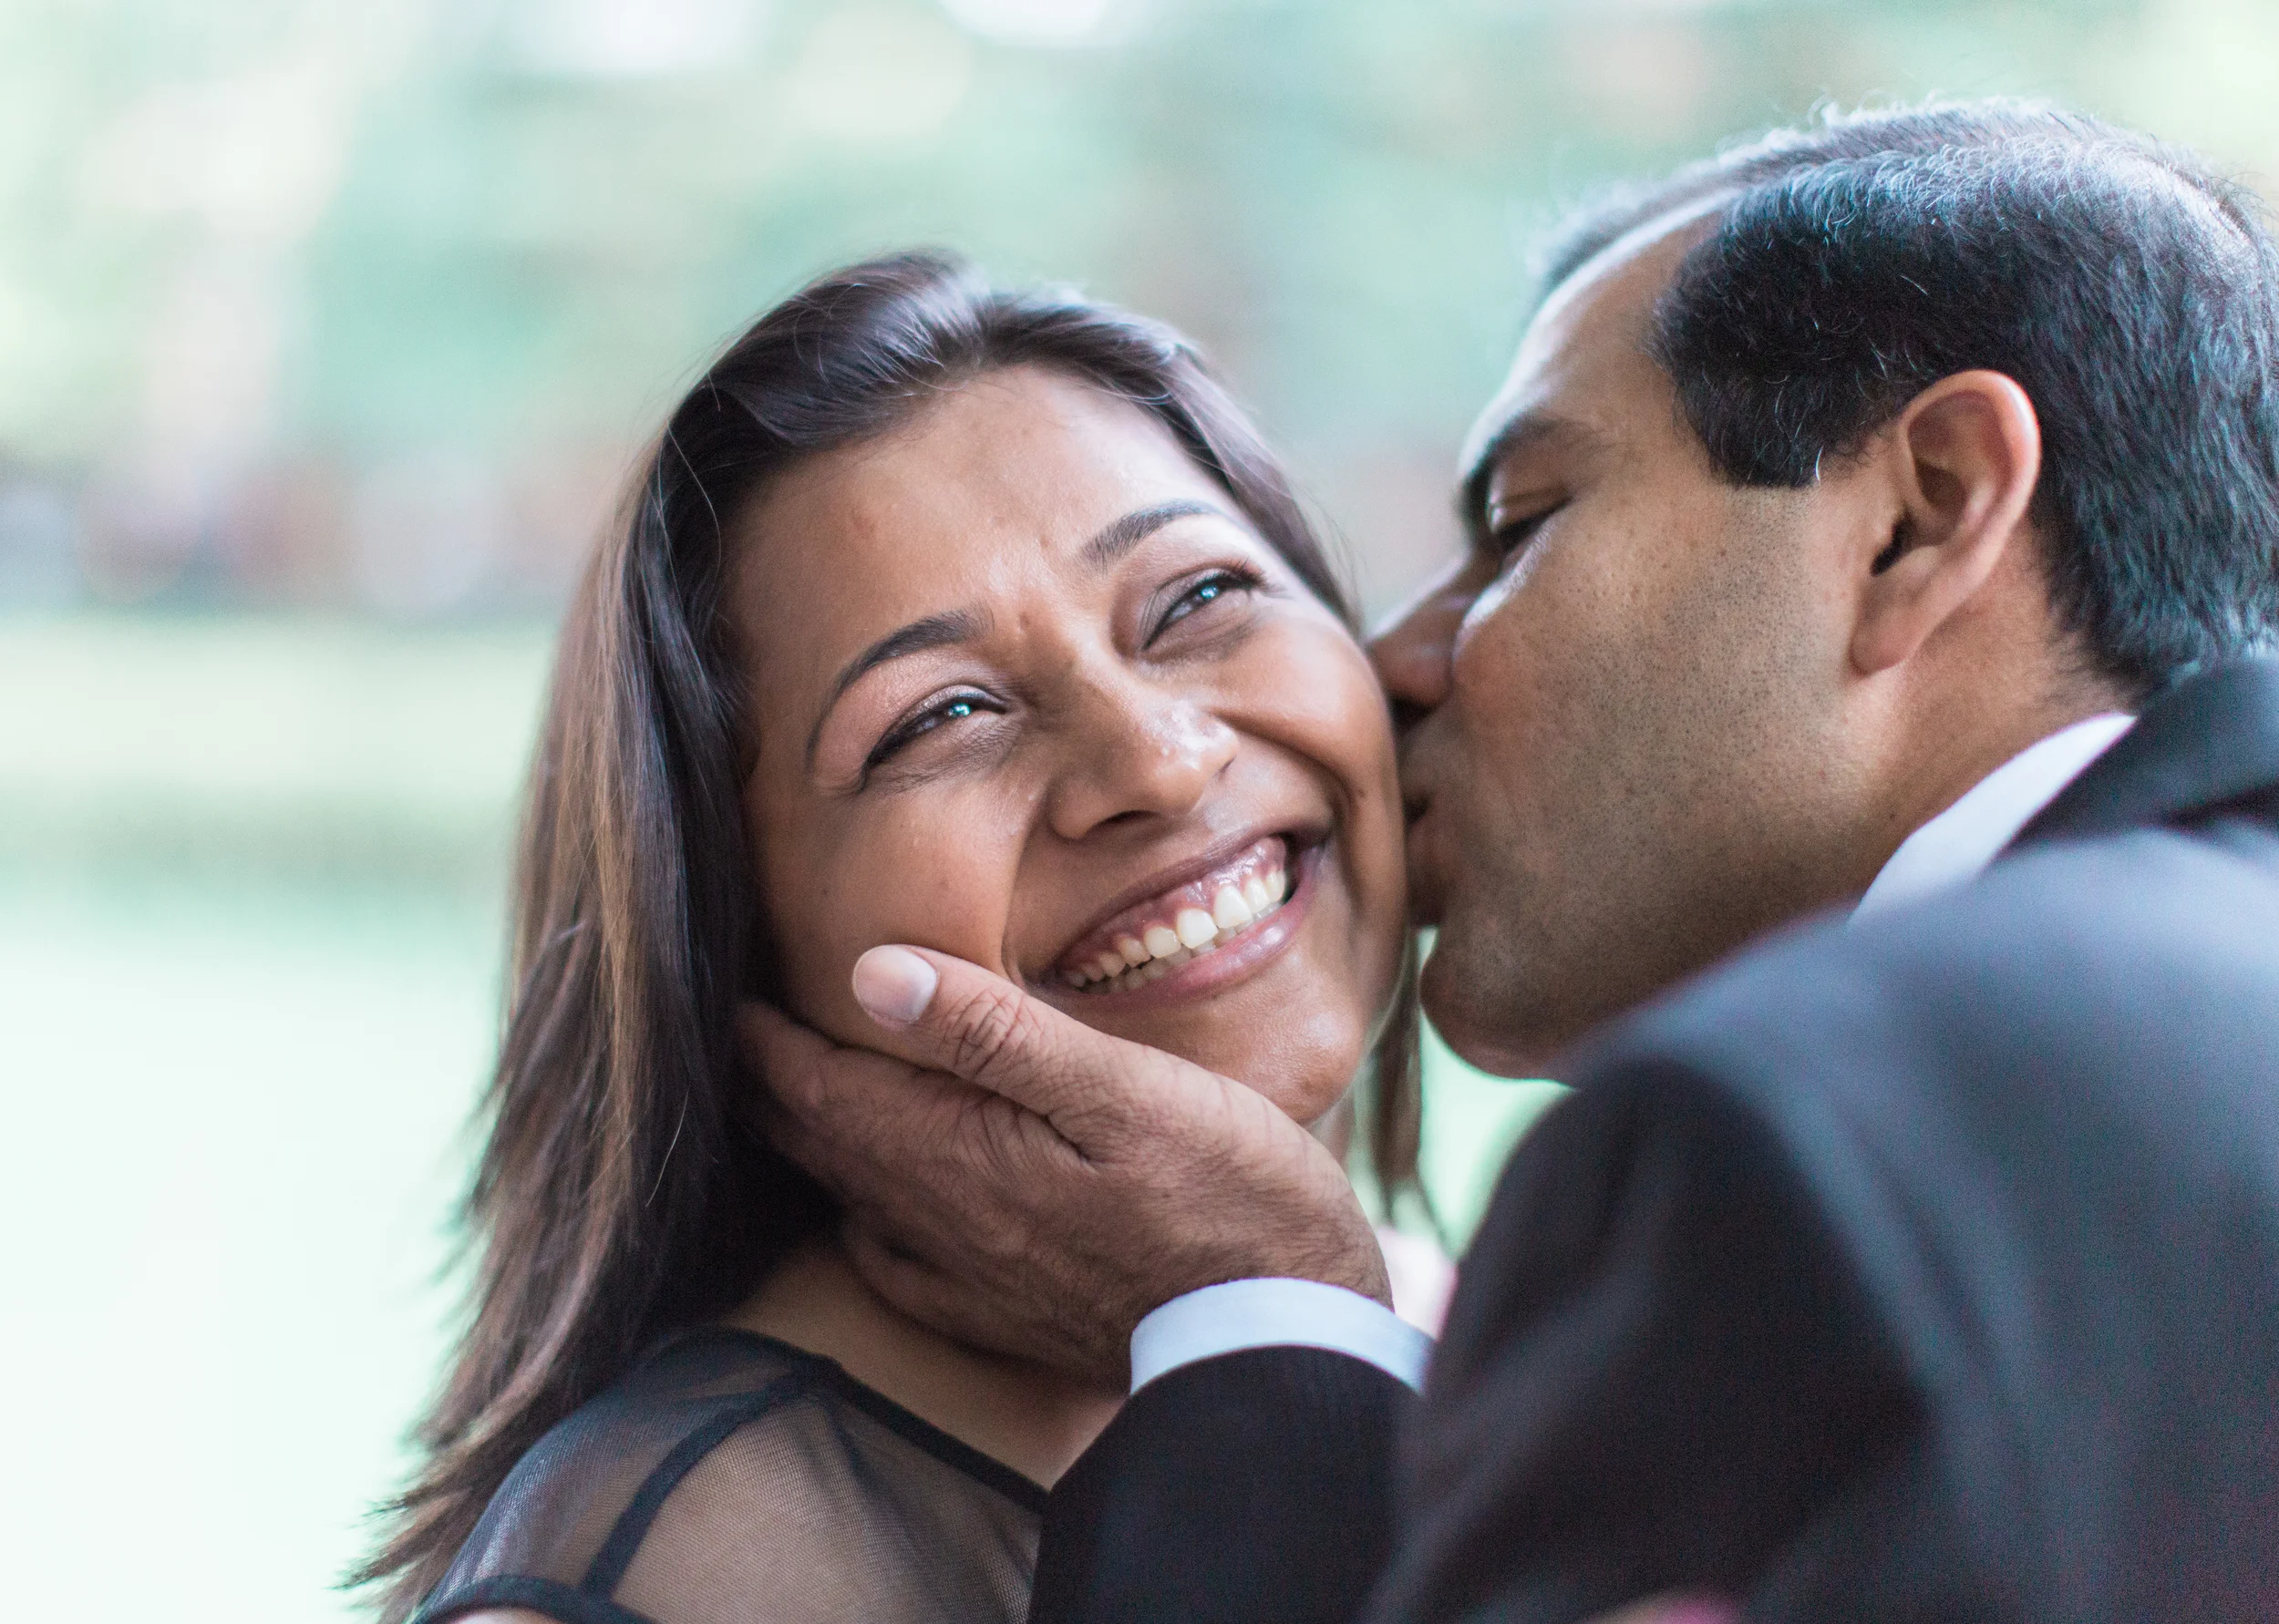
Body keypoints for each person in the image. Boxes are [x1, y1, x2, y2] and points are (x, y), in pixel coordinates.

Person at [756, 103, 2279, 1620]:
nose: (1400, 656)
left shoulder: (1789, 1140)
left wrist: (1255, 1309)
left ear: (1923, 514)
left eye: (1524, 520)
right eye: (942, 712)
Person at [357, 251, 1443, 1624]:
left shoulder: (1495, 1326)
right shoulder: (673, 1572)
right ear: (735, 930)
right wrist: (1275, 1312)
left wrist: (1287, 1318)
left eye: (1196, 599)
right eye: (944, 715)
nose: (1159, 761)